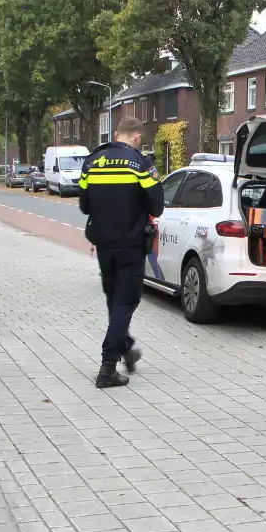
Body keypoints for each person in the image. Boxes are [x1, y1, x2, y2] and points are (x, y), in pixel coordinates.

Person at [79, 117, 165, 388]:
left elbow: (84, 205)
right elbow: (157, 206)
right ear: (137, 138)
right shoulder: (140, 164)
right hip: (131, 245)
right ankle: (107, 367)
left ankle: (126, 347)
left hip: (103, 245)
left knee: (115, 300)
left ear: (117, 134)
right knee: (126, 302)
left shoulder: (92, 162)